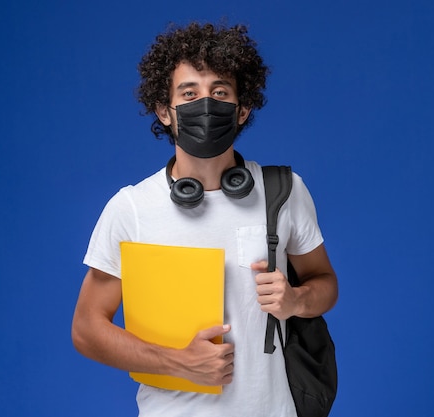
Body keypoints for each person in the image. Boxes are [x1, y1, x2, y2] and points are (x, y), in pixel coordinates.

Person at [71, 22, 338, 417]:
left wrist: (296, 299)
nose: (206, 103)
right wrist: (178, 362)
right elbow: (87, 329)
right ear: (164, 111)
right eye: (189, 93)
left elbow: (326, 284)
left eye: (219, 92)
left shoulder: (284, 192)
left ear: (242, 108)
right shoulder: (131, 208)